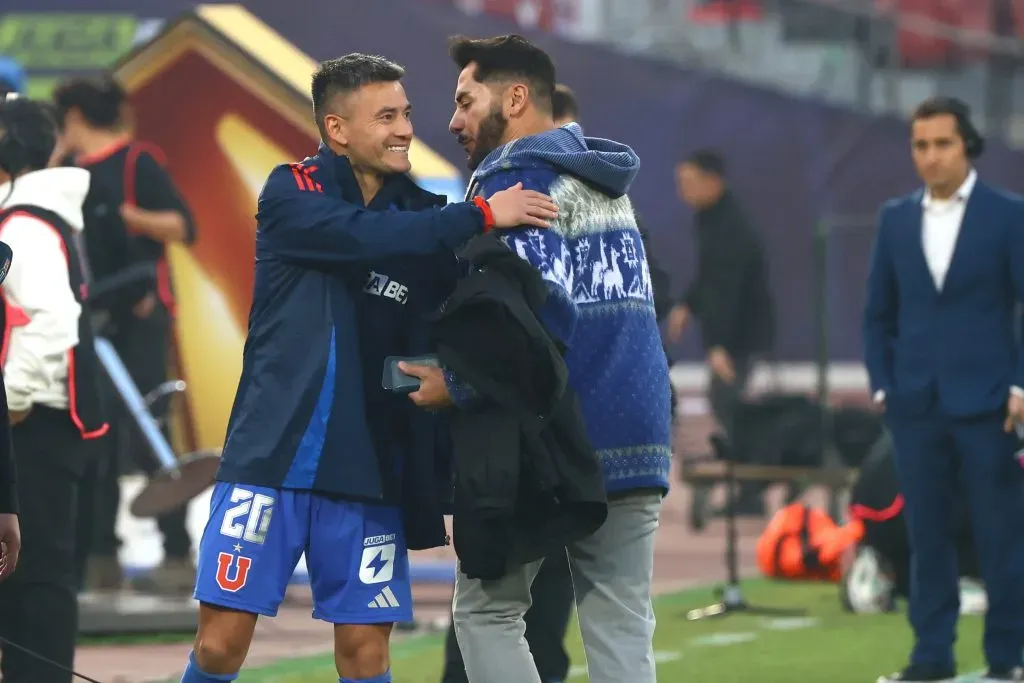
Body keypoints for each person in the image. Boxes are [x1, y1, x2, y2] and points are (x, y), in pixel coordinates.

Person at [178, 53, 557, 683]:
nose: (406, 128)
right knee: (220, 645)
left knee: (365, 654)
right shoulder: (292, 191)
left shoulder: (424, 216)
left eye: (406, 113)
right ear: (337, 130)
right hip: (271, 459)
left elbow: (460, 309)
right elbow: (361, 237)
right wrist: (482, 214)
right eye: (386, 117)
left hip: (371, 470)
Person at [407, 34, 671, 683]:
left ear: (516, 98)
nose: (454, 120)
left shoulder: (515, 178)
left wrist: (457, 386)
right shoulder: (606, 180)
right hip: (638, 435)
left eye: (466, 101)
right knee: (621, 625)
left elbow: (525, 325)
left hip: (559, 436)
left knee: (487, 612)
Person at [864, 96, 1024, 683]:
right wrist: (884, 386)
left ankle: (1009, 658)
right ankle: (932, 658)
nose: (930, 156)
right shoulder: (895, 219)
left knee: (1001, 535)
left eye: (942, 143)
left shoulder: (1008, 215)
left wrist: (1021, 385)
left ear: (969, 146)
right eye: (920, 145)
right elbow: (878, 312)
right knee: (926, 539)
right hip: (915, 407)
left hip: (989, 407)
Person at [53, 75, 198, 595]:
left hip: (139, 318)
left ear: (73, 117)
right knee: (92, 438)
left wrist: (127, 217)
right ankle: (99, 557)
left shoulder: (138, 162)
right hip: (87, 322)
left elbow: (184, 226)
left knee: (147, 432)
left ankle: (177, 553)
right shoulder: (64, 172)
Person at [0, 96, 108, 683]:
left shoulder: (24, 225)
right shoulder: (32, 216)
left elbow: (48, 324)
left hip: (32, 429)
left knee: (34, 588)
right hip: (37, 425)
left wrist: (8, 402)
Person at [667, 150, 774, 516]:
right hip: (734, 333)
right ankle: (749, 485)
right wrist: (687, 305)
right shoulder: (710, 219)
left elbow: (727, 292)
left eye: (690, 181)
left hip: (742, 334)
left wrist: (719, 346)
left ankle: (752, 489)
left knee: (729, 401)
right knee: (728, 402)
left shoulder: (731, 228)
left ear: (714, 181)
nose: (683, 190)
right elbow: (709, 279)